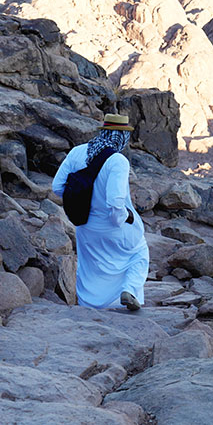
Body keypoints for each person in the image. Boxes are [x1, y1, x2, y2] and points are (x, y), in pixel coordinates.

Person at [52, 114, 148, 311]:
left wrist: (80, 203)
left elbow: (57, 187)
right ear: (121, 136)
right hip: (112, 225)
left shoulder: (77, 152)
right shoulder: (117, 161)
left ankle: (89, 306)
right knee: (139, 251)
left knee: (90, 267)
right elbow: (115, 201)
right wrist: (121, 219)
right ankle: (129, 290)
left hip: (85, 224)